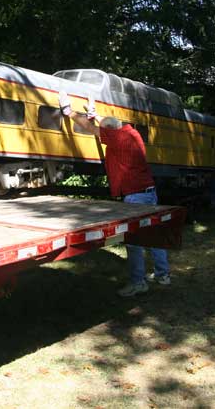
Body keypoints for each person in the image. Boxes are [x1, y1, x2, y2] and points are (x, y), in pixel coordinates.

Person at [59, 91, 170, 297]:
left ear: (110, 131)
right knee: (154, 235)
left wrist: (69, 112)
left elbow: (91, 128)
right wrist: (96, 114)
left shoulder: (117, 140)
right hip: (149, 192)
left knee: (134, 241)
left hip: (135, 197)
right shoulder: (131, 133)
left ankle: (139, 283)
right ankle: (163, 275)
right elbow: (106, 125)